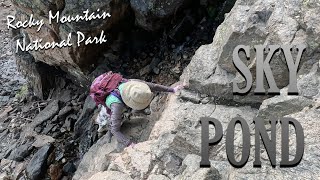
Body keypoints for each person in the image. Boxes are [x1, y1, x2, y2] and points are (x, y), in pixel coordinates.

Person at [95, 78, 184, 147]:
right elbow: (115, 130)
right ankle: (103, 131)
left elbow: (154, 86)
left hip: (118, 94)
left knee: (118, 118)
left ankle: (137, 111)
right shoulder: (116, 105)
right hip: (111, 103)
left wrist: (172, 90)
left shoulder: (136, 85)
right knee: (108, 121)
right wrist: (129, 144)